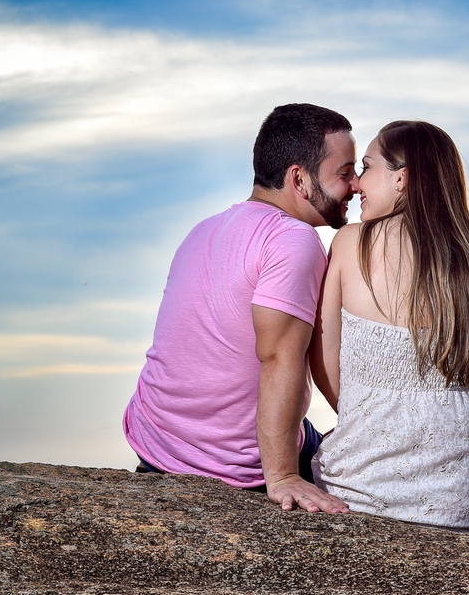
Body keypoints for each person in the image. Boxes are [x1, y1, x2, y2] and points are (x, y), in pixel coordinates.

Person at [123, 103, 355, 513]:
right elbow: (278, 358)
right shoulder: (293, 240)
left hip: (155, 444)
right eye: (344, 173)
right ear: (298, 179)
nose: (355, 185)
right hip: (232, 464)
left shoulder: (204, 228)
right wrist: (282, 475)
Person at [310, 120, 469, 533]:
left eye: (367, 167)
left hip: (368, 479)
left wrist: (369, 420)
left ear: (401, 178)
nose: (356, 184)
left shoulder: (352, 243)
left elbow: (323, 359)